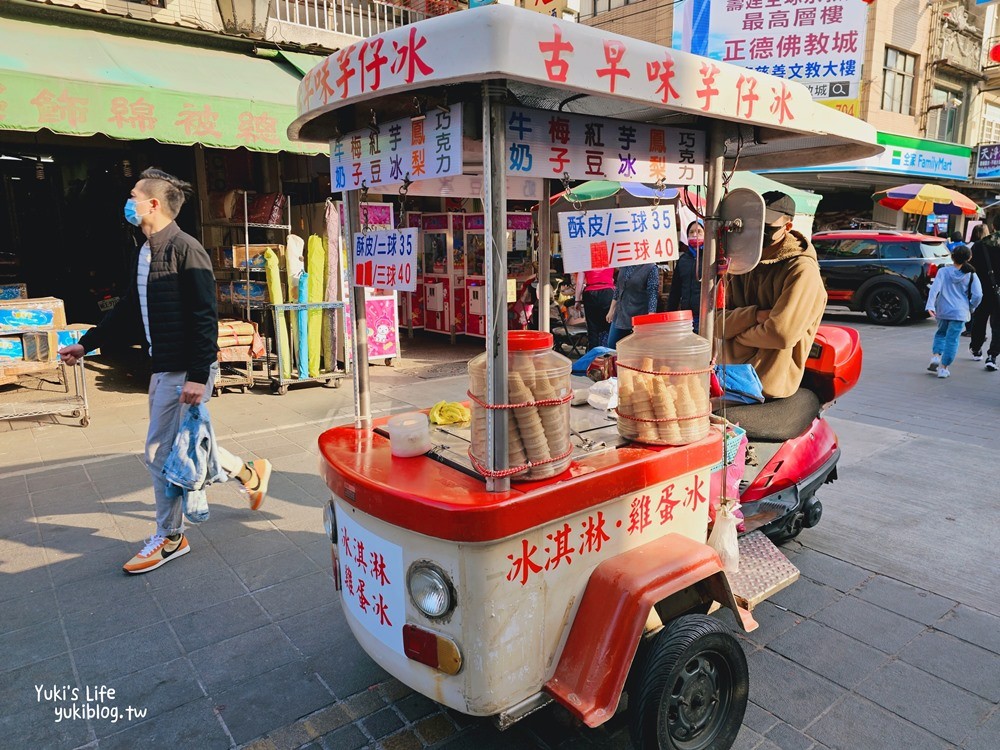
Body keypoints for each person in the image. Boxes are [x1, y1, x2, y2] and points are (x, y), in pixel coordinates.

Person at [59, 168, 272, 575]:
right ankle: (249, 473)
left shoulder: (186, 249)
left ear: (153, 204)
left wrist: (196, 374)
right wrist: (87, 343)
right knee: (183, 445)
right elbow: (127, 309)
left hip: (183, 368)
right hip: (164, 364)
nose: (128, 201)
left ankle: (171, 536)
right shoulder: (146, 251)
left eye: (133, 195)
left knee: (159, 451)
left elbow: (204, 316)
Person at [716, 191, 827, 400]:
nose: (759, 232)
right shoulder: (741, 262)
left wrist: (734, 337)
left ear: (787, 227)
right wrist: (756, 316)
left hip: (767, 386)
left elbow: (780, 334)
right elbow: (714, 323)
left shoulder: (801, 269)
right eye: (755, 224)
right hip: (728, 378)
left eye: (767, 227)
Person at [926, 245, 983, 379]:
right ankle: (944, 368)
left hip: (943, 309)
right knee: (952, 339)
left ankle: (936, 356)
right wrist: (971, 307)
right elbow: (978, 295)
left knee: (940, 334)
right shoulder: (971, 274)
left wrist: (930, 306)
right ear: (969, 258)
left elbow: (934, 289)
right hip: (960, 312)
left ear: (952, 256)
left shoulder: (943, 272)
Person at [969, 217, 1000, 370]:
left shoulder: (979, 245)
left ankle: (976, 349)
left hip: (982, 290)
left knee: (980, 319)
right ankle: (992, 356)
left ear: (993, 226)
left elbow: (970, 268)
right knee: (998, 324)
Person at [606, 263, 660, 348]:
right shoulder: (624, 265)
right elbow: (618, 288)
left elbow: (653, 292)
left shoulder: (651, 268)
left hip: (638, 314)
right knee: (612, 346)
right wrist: (611, 309)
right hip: (620, 313)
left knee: (636, 350)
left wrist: (651, 315)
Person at [667, 219, 704, 328]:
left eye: (699, 231)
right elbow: (675, 290)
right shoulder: (683, 260)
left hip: (706, 317)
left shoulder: (710, 258)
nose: (694, 234)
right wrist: (670, 313)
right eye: (691, 232)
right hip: (686, 318)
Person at [574, 268, 614, 350]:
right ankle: (608, 354)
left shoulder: (586, 258)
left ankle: (594, 357)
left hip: (590, 294)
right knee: (608, 325)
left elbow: (579, 282)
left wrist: (577, 300)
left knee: (593, 328)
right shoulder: (610, 257)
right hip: (608, 293)